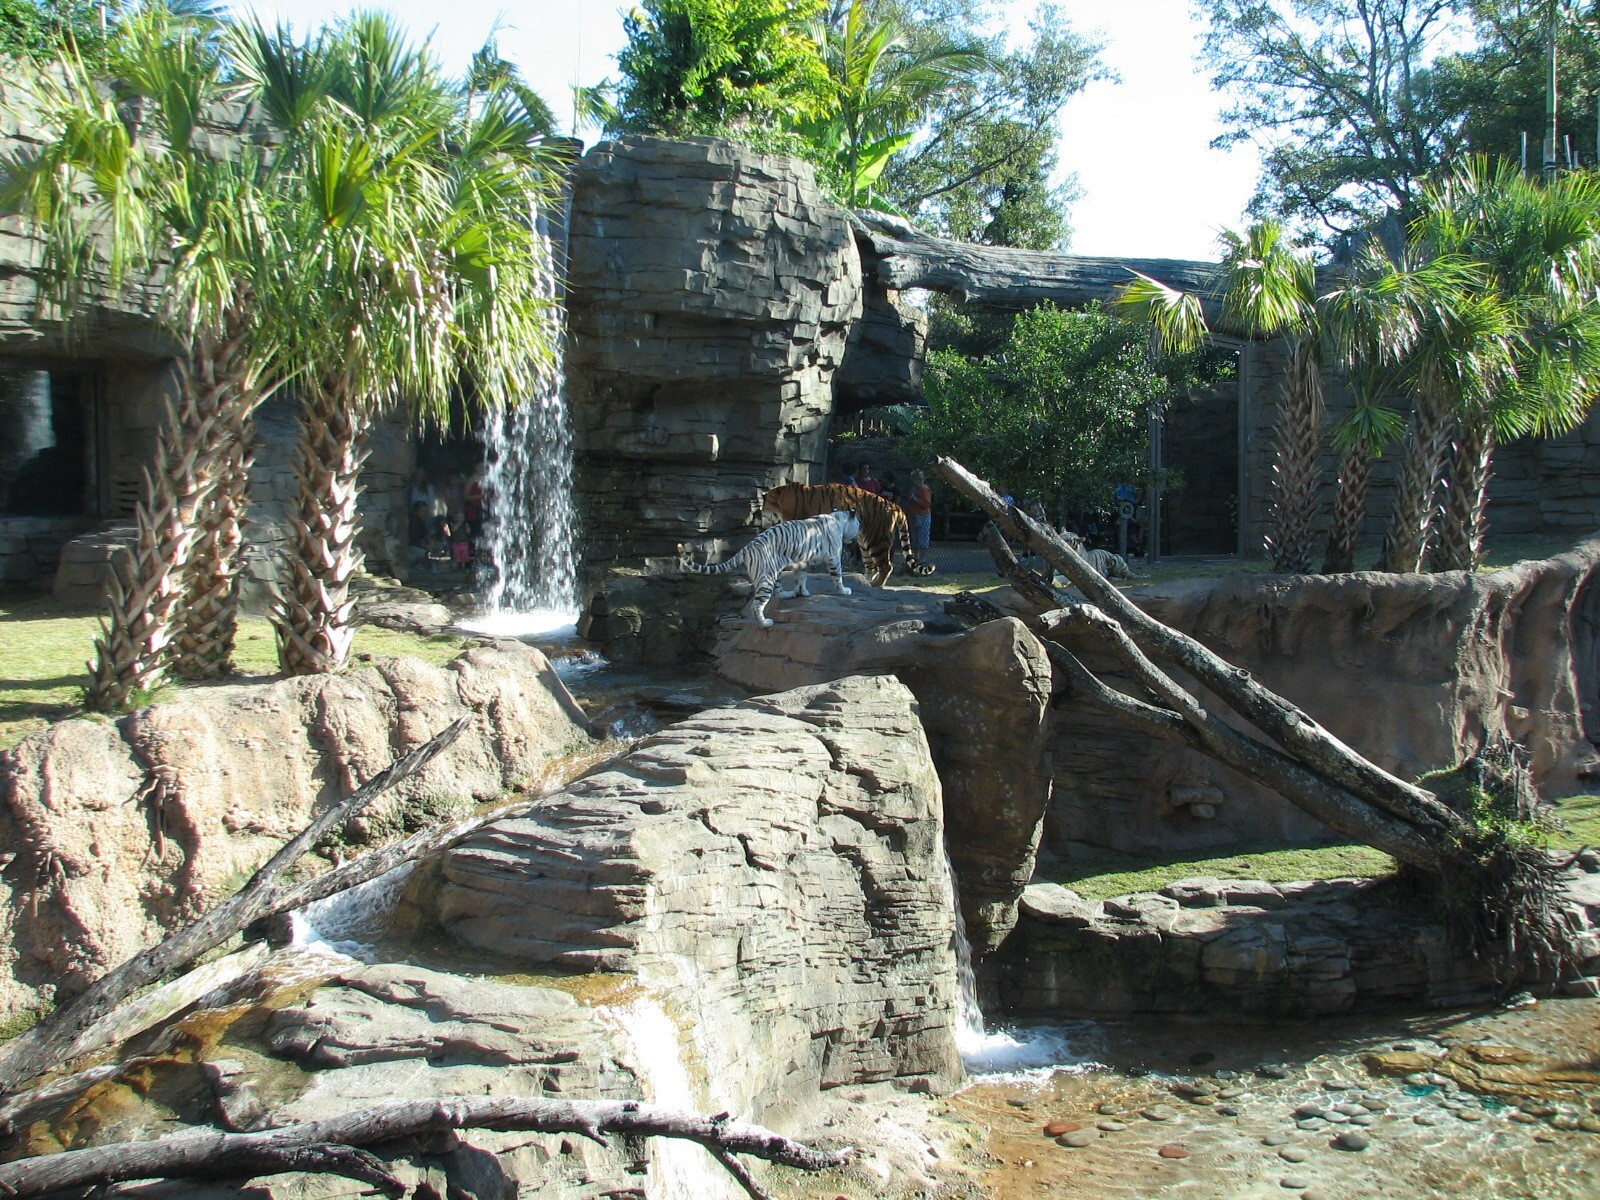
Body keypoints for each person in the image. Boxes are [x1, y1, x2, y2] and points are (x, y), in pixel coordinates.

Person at [904, 471, 933, 553]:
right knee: (914, 537)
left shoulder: (925, 489)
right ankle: (915, 555)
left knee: (923, 537)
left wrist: (916, 500)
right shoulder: (913, 489)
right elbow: (909, 499)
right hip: (914, 514)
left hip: (923, 516)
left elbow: (927, 504)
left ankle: (923, 557)